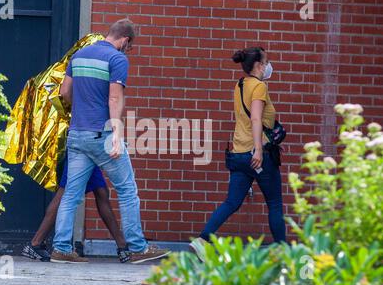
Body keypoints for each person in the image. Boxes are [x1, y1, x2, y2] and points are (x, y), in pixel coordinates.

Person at [51, 19, 170, 264]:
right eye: (130, 45)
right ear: (125, 40)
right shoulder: (117, 59)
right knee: (127, 190)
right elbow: (114, 99)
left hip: (77, 133)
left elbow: (64, 93)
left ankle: (61, 248)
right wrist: (116, 134)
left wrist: (81, 111)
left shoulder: (80, 55)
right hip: (102, 135)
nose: (128, 50)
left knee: (71, 194)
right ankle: (137, 247)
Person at [190, 47, 286, 260]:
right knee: (275, 204)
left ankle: (203, 240)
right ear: (259, 65)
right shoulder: (259, 86)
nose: (269, 65)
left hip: (238, 153)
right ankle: (283, 251)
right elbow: (255, 119)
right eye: (267, 61)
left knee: (232, 202)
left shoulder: (240, 84)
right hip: (257, 154)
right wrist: (259, 150)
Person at [21, 151, 131, 263]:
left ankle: (122, 246)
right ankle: (36, 243)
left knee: (100, 191)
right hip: (81, 149)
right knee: (66, 194)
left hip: (84, 148)